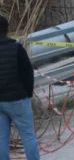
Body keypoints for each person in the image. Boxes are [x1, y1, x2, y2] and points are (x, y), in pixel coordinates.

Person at [0, 15, 40, 160]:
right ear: (7, 30)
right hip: (18, 99)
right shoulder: (17, 48)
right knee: (28, 136)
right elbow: (27, 73)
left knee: (1, 138)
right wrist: (28, 93)